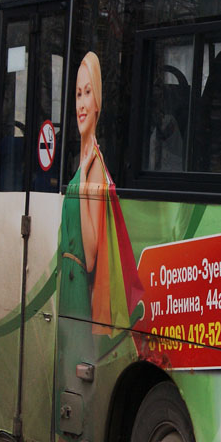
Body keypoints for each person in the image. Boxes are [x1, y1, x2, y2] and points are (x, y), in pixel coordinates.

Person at [60, 52, 144, 334]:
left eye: (88, 93)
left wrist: (82, 181)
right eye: (77, 95)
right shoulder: (83, 160)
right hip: (69, 285)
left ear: (98, 104)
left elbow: (92, 255)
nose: (81, 105)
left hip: (78, 291)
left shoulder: (93, 167)